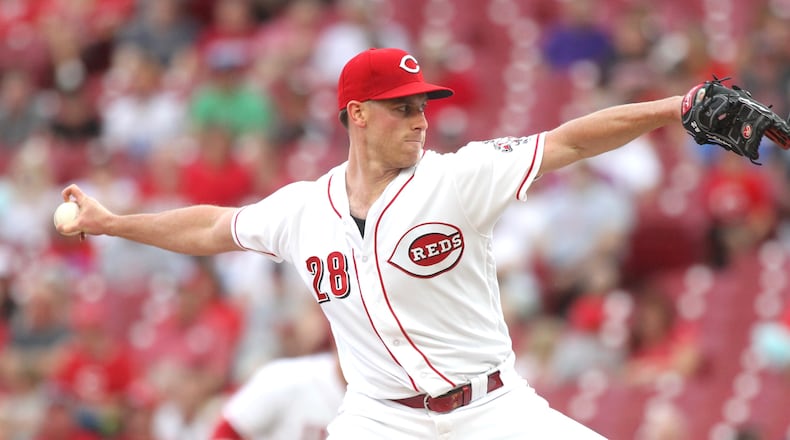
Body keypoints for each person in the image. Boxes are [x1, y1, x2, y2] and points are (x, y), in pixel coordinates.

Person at [58, 47, 686, 438]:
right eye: (401, 108)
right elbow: (211, 227)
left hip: (493, 408)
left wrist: (676, 107)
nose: (420, 119)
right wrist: (114, 223)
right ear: (357, 113)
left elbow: (569, 141)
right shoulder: (304, 209)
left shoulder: (457, 177)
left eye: (422, 106)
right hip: (381, 419)